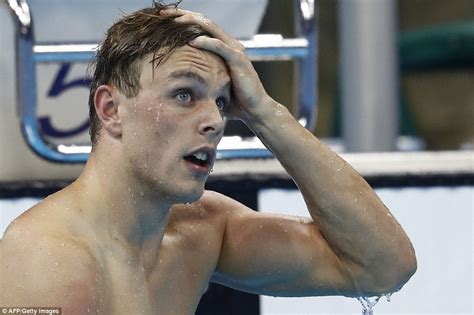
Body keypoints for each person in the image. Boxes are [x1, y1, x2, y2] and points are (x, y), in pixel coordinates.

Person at [0, 3, 416, 314]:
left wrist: (265, 113)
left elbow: (381, 267)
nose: (215, 121)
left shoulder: (200, 231)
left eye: (221, 101)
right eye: (184, 94)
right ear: (110, 110)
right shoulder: (46, 260)